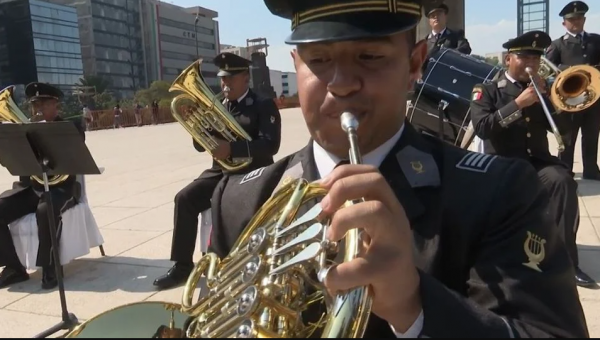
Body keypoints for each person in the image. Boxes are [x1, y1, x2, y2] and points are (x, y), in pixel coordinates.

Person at [206, 0, 589, 337]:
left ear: (415, 63)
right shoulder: (239, 200)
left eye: (369, 57)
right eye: (318, 60)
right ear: (295, 65)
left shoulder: (500, 193)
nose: (341, 85)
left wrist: (415, 307)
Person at [469, 30, 596, 289]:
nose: (531, 64)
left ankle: (566, 263)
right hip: (504, 165)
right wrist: (518, 104)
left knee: (562, 181)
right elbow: (482, 127)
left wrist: (556, 102)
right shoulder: (488, 90)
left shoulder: (542, 90)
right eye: (525, 57)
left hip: (537, 162)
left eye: (536, 59)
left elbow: (563, 132)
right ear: (508, 60)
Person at [153, 52, 282, 290]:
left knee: (223, 201)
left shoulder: (263, 105)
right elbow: (200, 145)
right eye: (223, 79)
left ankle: (231, 264)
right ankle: (182, 267)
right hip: (221, 171)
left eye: (230, 79)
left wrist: (232, 147)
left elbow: (269, 145)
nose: (225, 84)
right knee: (184, 198)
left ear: (245, 78)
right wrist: (195, 126)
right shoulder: (218, 104)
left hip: (250, 173)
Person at [0, 82, 86, 290]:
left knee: (45, 210)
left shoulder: (70, 128)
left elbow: (74, 158)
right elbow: (19, 165)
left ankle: (51, 266)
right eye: (34, 104)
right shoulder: (24, 131)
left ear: (56, 105)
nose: (37, 109)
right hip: (33, 188)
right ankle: (14, 268)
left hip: (62, 188)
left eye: (43, 104)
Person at [545, 0, 600, 181]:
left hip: (593, 96)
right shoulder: (558, 44)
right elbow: (548, 69)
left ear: (584, 20)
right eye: (571, 20)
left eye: (579, 19)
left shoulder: (596, 40)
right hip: (570, 99)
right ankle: (565, 170)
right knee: (568, 137)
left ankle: (591, 170)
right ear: (564, 23)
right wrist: (573, 70)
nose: (575, 22)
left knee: (591, 135)